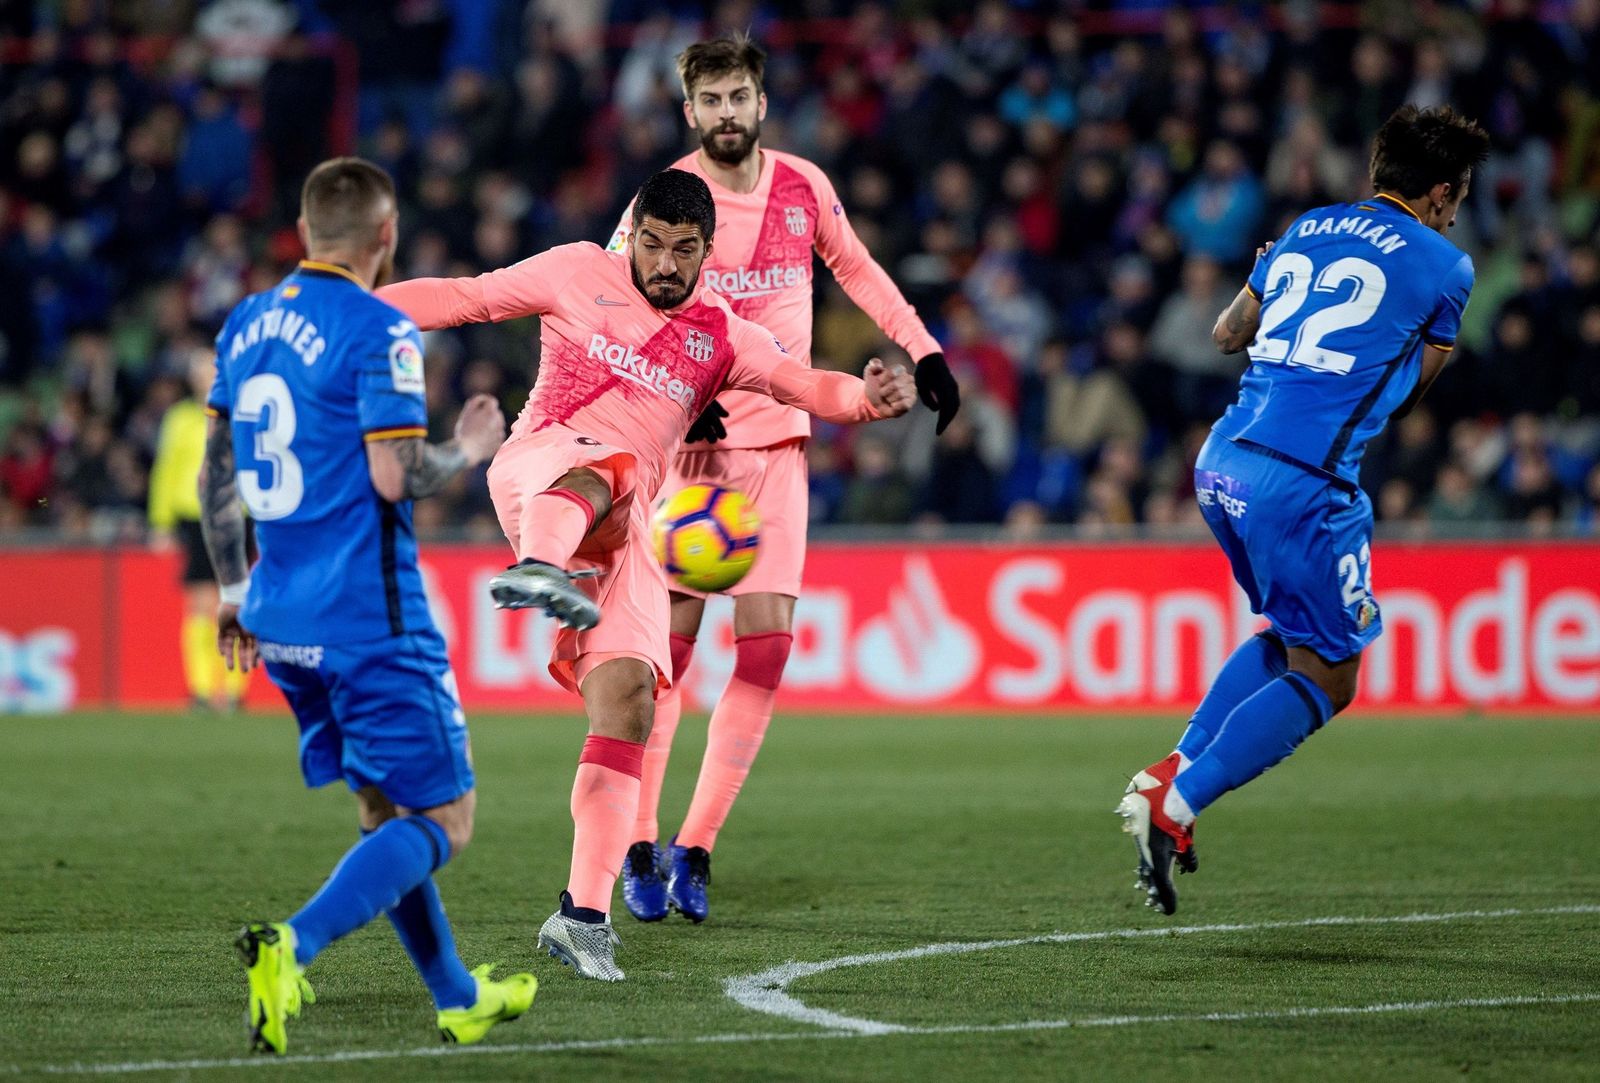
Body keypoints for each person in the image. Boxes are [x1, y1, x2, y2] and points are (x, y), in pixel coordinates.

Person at [378, 167, 917, 980]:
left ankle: (582, 915)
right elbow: (463, 297)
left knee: (630, 703)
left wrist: (867, 398)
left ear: (707, 250)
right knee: (618, 462)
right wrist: (349, 310)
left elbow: (805, 385)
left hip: (623, 530)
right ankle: (537, 564)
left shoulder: (723, 335)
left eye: (684, 250)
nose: (665, 264)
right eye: (654, 244)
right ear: (633, 233)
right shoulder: (574, 271)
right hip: (542, 466)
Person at [600, 34, 959, 925]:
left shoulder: (805, 186)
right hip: (691, 451)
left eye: (739, 97)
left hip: (780, 446)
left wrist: (923, 347)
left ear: (762, 102)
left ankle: (697, 848)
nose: (727, 113)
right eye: (711, 100)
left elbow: (858, 269)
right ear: (689, 113)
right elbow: (611, 295)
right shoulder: (665, 200)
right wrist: (676, 387)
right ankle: (638, 842)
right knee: (667, 657)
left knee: (765, 650)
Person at [1116, 106, 1490, 914]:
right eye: (1457, 195)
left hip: (1221, 462)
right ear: (1437, 191)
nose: (1456, 211)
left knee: (1289, 635)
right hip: (1305, 480)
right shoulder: (1448, 264)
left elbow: (1224, 336)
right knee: (1333, 670)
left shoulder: (1306, 225)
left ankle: (1172, 769)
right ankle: (1174, 807)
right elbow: (1412, 392)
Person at [199, 157, 533, 1054]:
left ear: (306, 232)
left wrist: (234, 592)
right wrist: (466, 448)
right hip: (371, 617)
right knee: (445, 820)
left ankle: (458, 993)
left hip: (281, 619)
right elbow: (396, 474)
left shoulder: (244, 323)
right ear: (386, 237)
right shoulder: (381, 327)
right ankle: (292, 943)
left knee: (384, 807)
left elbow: (217, 476)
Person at [148, 347, 250, 711]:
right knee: (200, 604)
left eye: (211, 369)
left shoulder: (242, 411)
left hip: (236, 513)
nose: (204, 376)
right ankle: (203, 690)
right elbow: (165, 470)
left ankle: (236, 690)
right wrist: (160, 522)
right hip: (193, 516)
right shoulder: (178, 419)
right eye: (199, 370)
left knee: (236, 601)